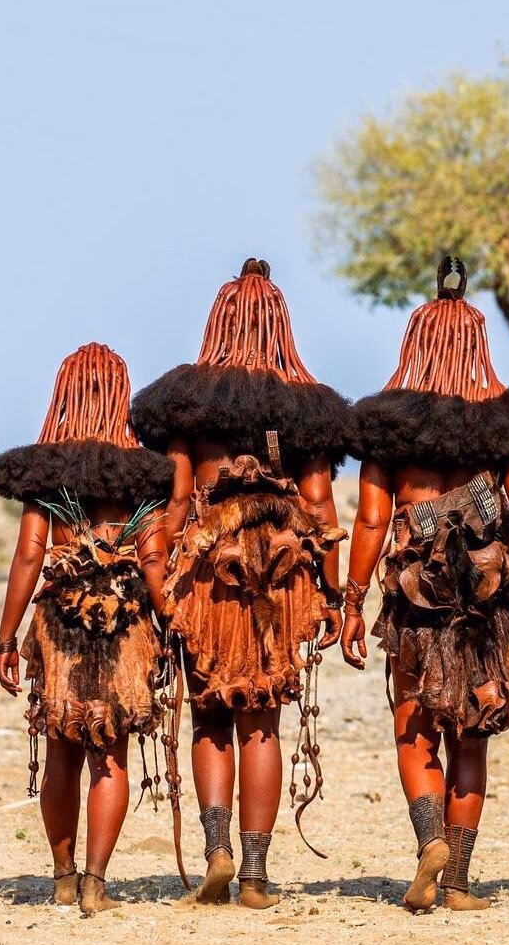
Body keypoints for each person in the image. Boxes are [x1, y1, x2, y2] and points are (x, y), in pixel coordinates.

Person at [130, 260, 350, 909]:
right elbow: (323, 512)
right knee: (263, 724)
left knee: (209, 718)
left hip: (206, 580)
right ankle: (254, 874)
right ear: (280, 323)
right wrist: (335, 598)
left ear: (220, 321)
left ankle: (216, 851)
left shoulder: (187, 410)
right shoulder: (306, 411)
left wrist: (160, 591)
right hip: (278, 588)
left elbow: (171, 509)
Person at [341, 256, 509, 912]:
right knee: (473, 731)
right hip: (488, 594)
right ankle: (457, 881)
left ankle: (428, 839)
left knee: (413, 724)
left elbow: (373, 519)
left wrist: (350, 603)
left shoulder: (386, 427)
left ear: (415, 341)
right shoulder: (505, 423)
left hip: (411, 591)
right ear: (479, 344)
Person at [0, 342, 176, 915]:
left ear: (63, 395)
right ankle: (97, 883)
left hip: (59, 626)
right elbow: (154, 562)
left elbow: (28, 557)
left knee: (61, 751)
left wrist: (5, 638)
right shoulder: (144, 475)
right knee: (109, 752)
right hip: (125, 624)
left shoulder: (46, 474)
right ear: (121, 396)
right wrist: (170, 629)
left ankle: (63, 877)